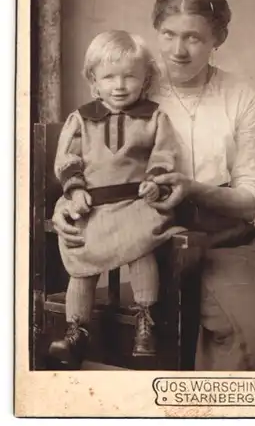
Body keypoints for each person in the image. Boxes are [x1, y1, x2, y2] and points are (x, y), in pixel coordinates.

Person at [52, 0, 255, 371]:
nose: (178, 50)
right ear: (155, 31)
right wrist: (66, 200)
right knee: (243, 327)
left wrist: (194, 189)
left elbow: (250, 198)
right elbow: (93, 158)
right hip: (145, 230)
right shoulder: (131, 79)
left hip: (220, 235)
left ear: (218, 39)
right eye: (168, 34)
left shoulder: (240, 96)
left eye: (194, 37)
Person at [48, 30, 186, 365]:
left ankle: (145, 320)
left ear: (146, 79)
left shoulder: (154, 117)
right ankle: (76, 330)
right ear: (94, 81)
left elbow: (164, 155)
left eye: (130, 76)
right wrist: (75, 188)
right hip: (93, 205)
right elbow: (67, 159)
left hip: (135, 202)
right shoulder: (81, 119)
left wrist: (156, 182)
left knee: (141, 250)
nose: (120, 85)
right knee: (81, 261)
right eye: (109, 77)